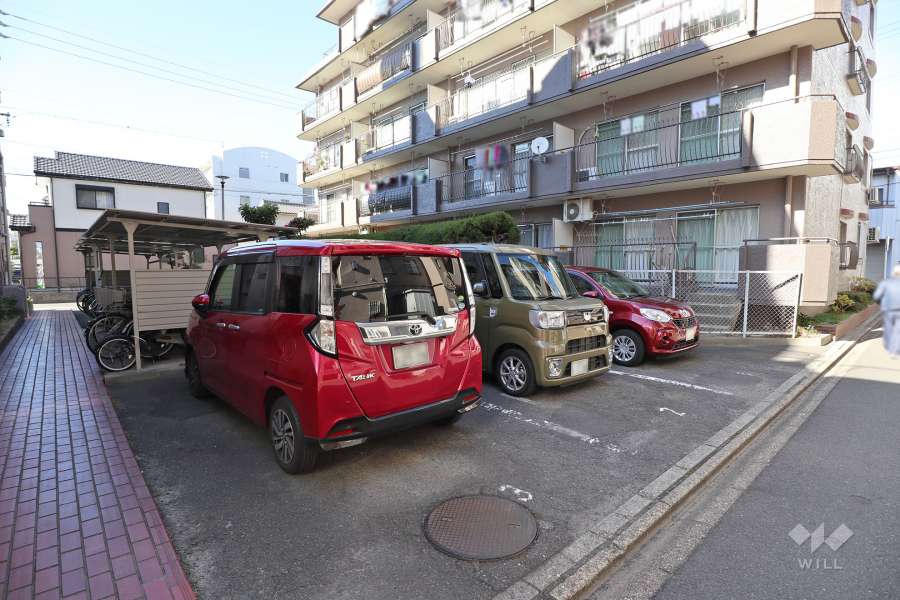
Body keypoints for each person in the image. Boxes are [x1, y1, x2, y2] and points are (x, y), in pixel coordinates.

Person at [874, 264, 900, 356]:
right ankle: (895, 350)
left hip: (888, 310)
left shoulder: (886, 283)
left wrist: (880, 303)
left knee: (889, 329)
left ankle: (889, 347)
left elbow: (876, 296)